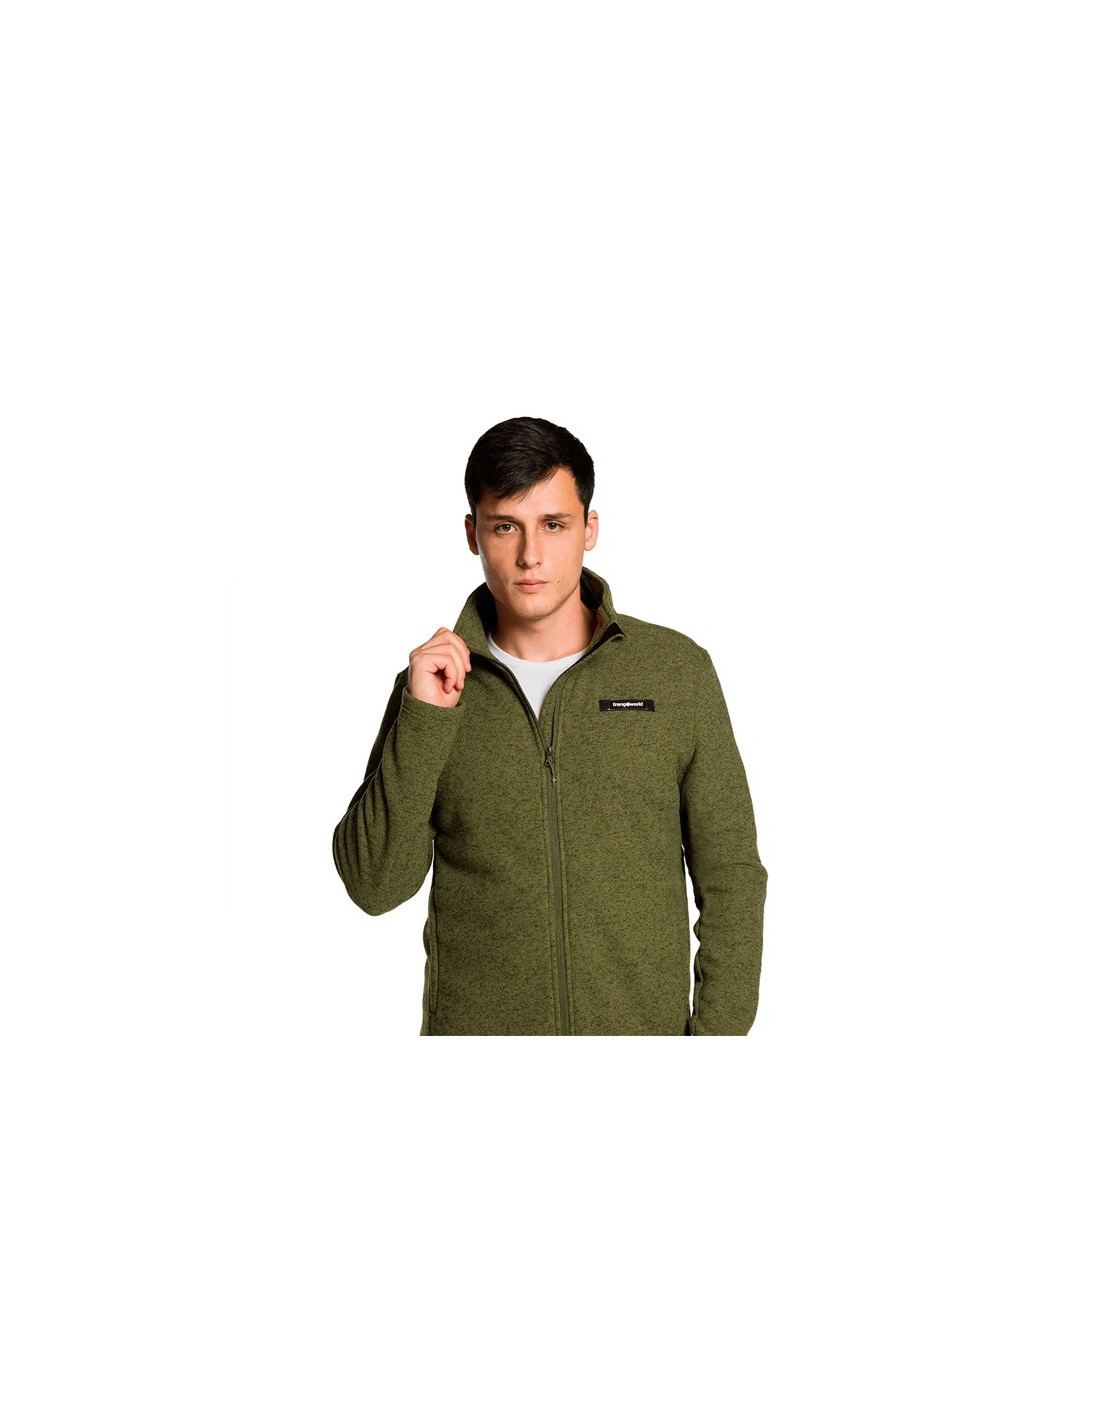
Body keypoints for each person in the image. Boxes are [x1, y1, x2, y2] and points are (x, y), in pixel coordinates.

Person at [332, 415, 768, 1035]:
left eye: (554, 525)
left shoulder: (675, 672)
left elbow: (731, 876)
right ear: (473, 533)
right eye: (505, 526)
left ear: (590, 528)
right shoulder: (432, 687)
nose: (530, 555)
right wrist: (424, 720)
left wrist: (715, 1044)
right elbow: (374, 886)